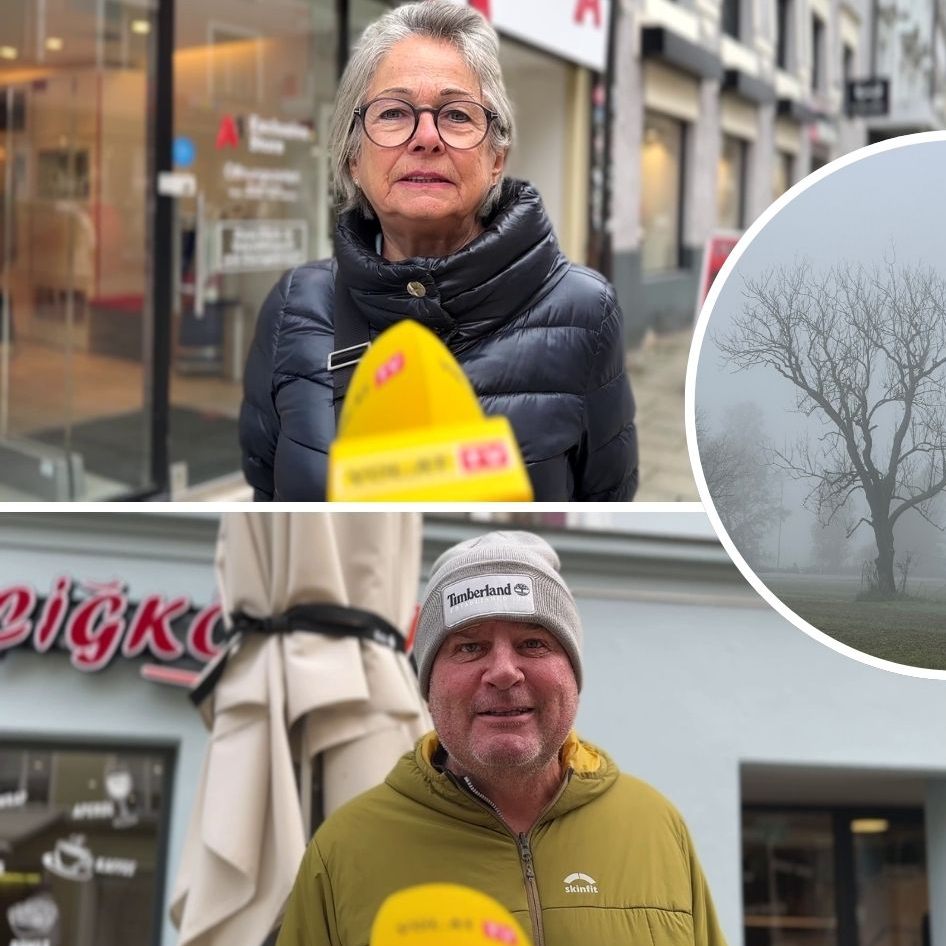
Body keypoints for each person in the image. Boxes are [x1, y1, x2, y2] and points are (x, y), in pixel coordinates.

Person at [240, 1, 638, 501]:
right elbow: (269, 497)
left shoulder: (585, 312)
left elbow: (605, 499)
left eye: (456, 115)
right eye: (393, 112)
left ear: (496, 158)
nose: (426, 138)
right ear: (352, 157)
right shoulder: (294, 307)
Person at [276, 531, 727, 946]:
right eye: (469, 647)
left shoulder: (656, 827)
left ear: (573, 674)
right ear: (428, 685)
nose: (504, 672)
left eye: (533, 643)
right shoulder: (343, 851)